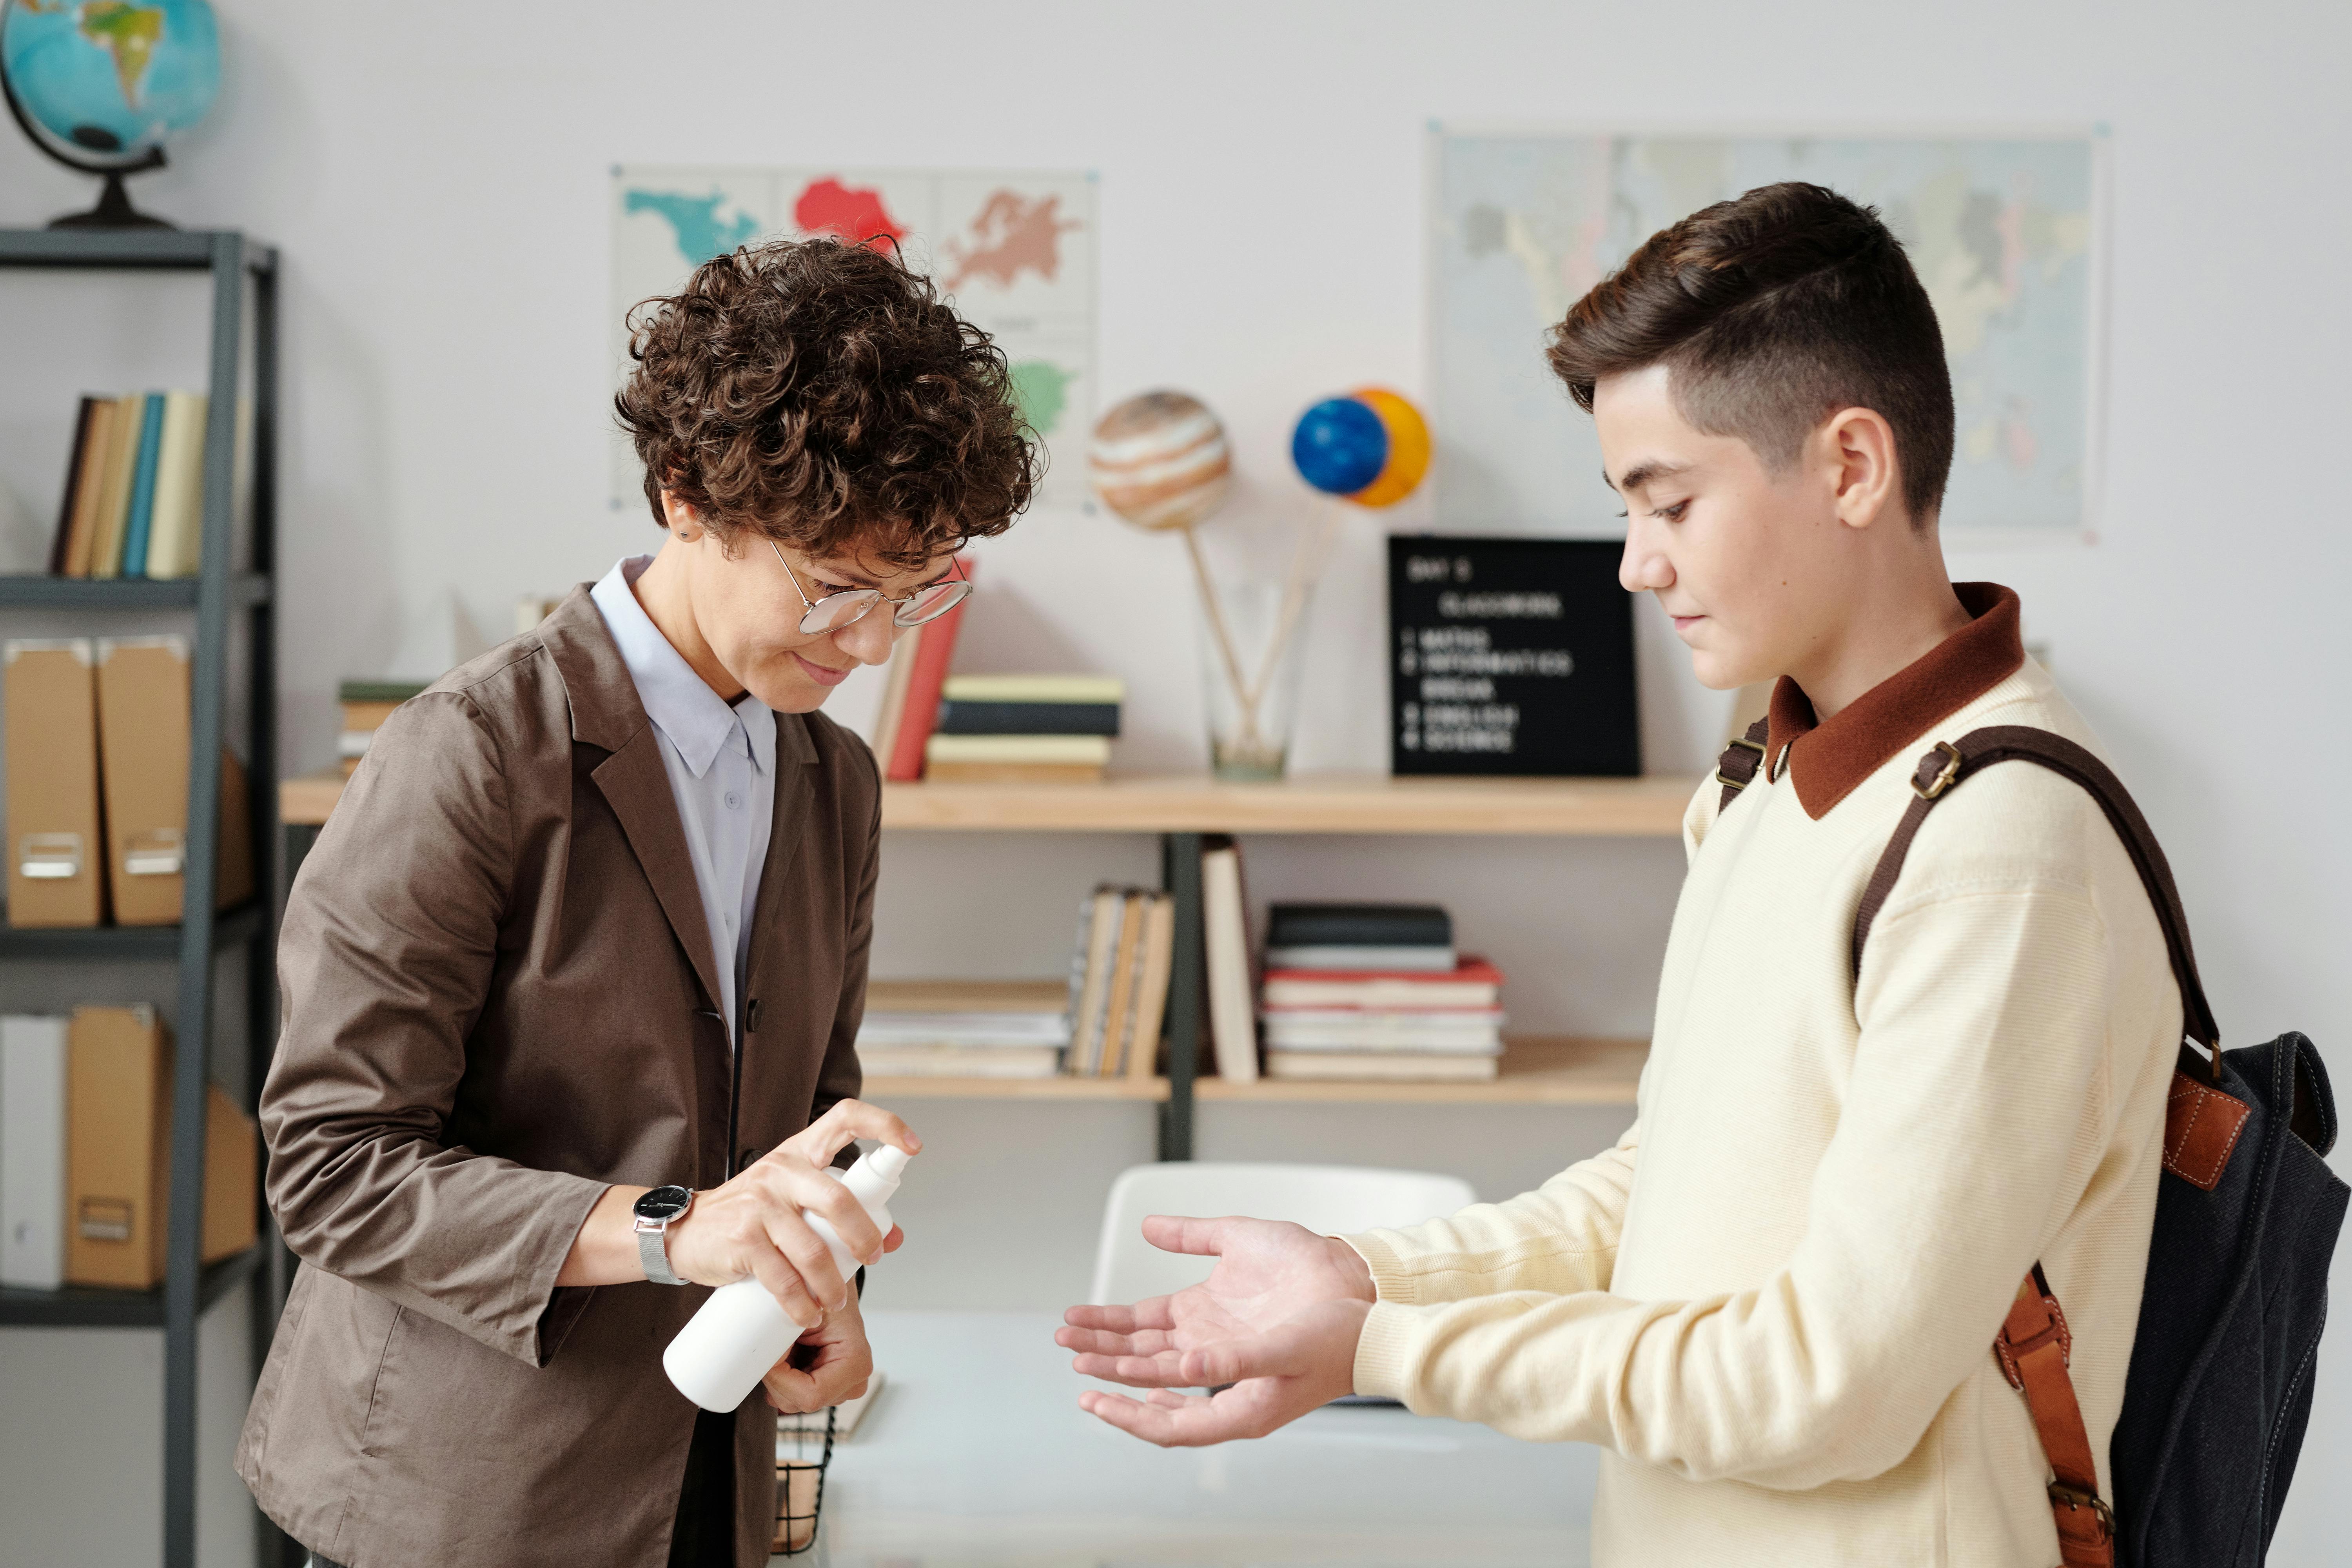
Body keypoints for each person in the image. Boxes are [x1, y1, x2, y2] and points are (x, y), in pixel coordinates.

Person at [1060, 182, 2178, 1568]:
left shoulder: (2000, 849)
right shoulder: (1772, 781)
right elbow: (1669, 1189)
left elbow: (1832, 1386)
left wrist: (1387, 1346)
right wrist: (1362, 1281)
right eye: (1626, 508)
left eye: (1671, 504)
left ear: (1850, 468)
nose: (1637, 567)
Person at [238, 237, 1036, 1568]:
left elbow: (798, 1118)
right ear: (684, 495)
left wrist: (811, 1297)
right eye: (837, 588)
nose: (873, 646)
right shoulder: (474, 750)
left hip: (703, 1488)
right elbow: (333, 1171)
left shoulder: (829, 774)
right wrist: (679, 1234)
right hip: (467, 1498)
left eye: (917, 593)